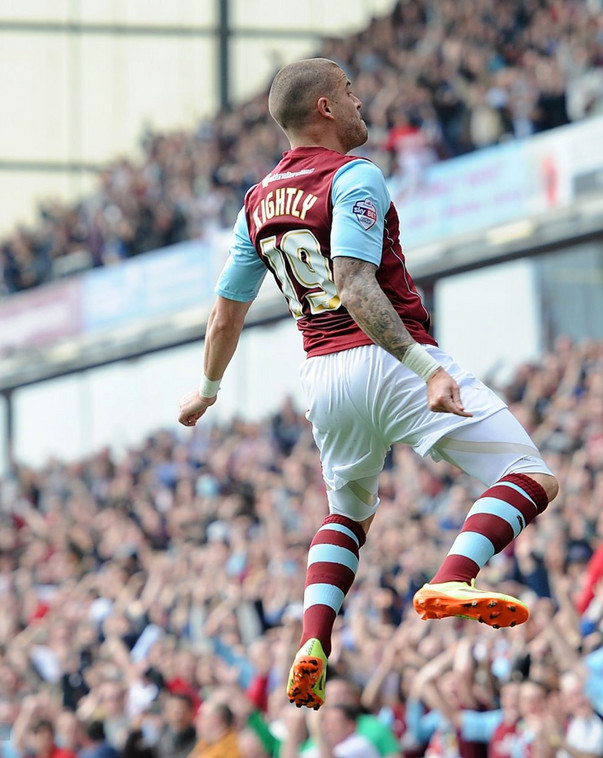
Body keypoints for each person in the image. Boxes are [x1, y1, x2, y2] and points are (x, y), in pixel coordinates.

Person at [176, 57, 559, 710]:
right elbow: (355, 284)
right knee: (530, 475)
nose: (360, 103)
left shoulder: (255, 203)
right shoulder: (355, 176)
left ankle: (313, 639)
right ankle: (455, 577)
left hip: (322, 378)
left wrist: (208, 390)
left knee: (347, 515)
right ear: (324, 107)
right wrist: (426, 367)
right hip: (386, 359)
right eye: (349, 92)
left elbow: (225, 312)